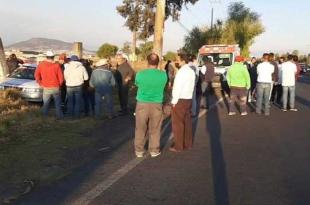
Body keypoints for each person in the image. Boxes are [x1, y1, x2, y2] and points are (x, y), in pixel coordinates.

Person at [134, 53, 167, 158]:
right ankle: (154, 150)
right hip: (157, 104)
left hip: (142, 103)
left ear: (147, 62)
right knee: (155, 128)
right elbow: (165, 86)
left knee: (140, 128)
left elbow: (137, 84)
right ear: (158, 63)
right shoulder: (163, 75)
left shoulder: (140, 74)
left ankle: (139, 150)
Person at [170, 53, 196, 152]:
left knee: (178, 124)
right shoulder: (191, 71)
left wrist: (174, 101)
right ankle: (188, 143)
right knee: (187, 122)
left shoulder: (181, 72)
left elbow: (177, 88)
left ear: (182, 60)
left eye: (177, 59)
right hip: (188, 98)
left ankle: (178, 145)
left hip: (180, 99)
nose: (176, 61)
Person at [35, 51, 64, 119]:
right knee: (57, 104)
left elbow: (36, 75)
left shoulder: (41, 65)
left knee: (46, 104)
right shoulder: (56, 66)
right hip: (56, 87)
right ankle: (60, 117)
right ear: (53, 57)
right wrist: (59, 85)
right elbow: (61, 78)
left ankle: (44, 118)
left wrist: (40, 83)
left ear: (46, 57)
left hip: (46, 87)